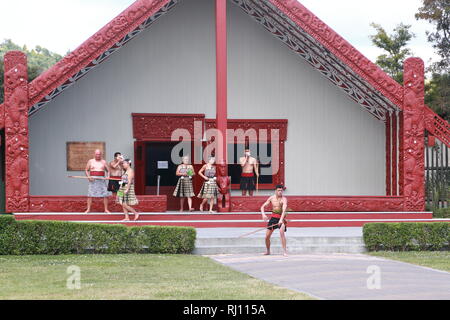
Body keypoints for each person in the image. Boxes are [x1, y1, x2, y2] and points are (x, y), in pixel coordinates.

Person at [260, 185, 288, 256]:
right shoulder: (271, 198)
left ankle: (285, 251)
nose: (280, 192)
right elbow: (262, 207)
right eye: (278, 190)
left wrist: (281, 220)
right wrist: (263, 215)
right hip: (273, 218)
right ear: (275, 191)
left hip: (281, 217)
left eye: (281, 191)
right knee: (267, 237)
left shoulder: (284, 199)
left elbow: (284, 210)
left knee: (282, 233)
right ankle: (268, 251)